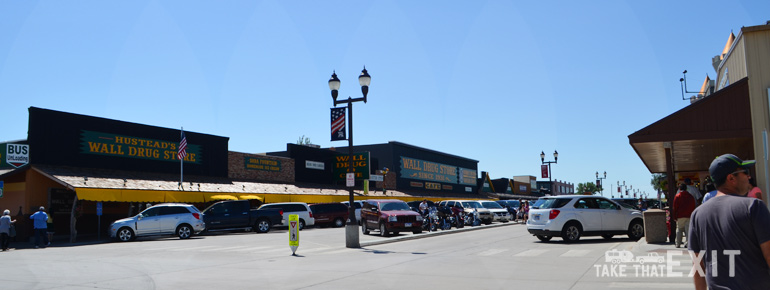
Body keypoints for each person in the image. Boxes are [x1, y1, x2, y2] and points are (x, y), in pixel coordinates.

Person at [688, 154, 770, 289]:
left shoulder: (698, 214)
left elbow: (698, 266)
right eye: (745, 172)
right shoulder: (754, 207)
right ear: (731, 178)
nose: (749, 177)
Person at [672, 183, 695, 248]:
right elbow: (693, 206)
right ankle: (687, 243)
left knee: (679, 229)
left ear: (679, 189)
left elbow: (674, 207)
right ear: (686, 189)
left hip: (680, 215)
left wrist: (674, 216)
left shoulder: (677, 196)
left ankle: (678, 243)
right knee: (688, 230)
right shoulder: (691, 196)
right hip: (689, 215)